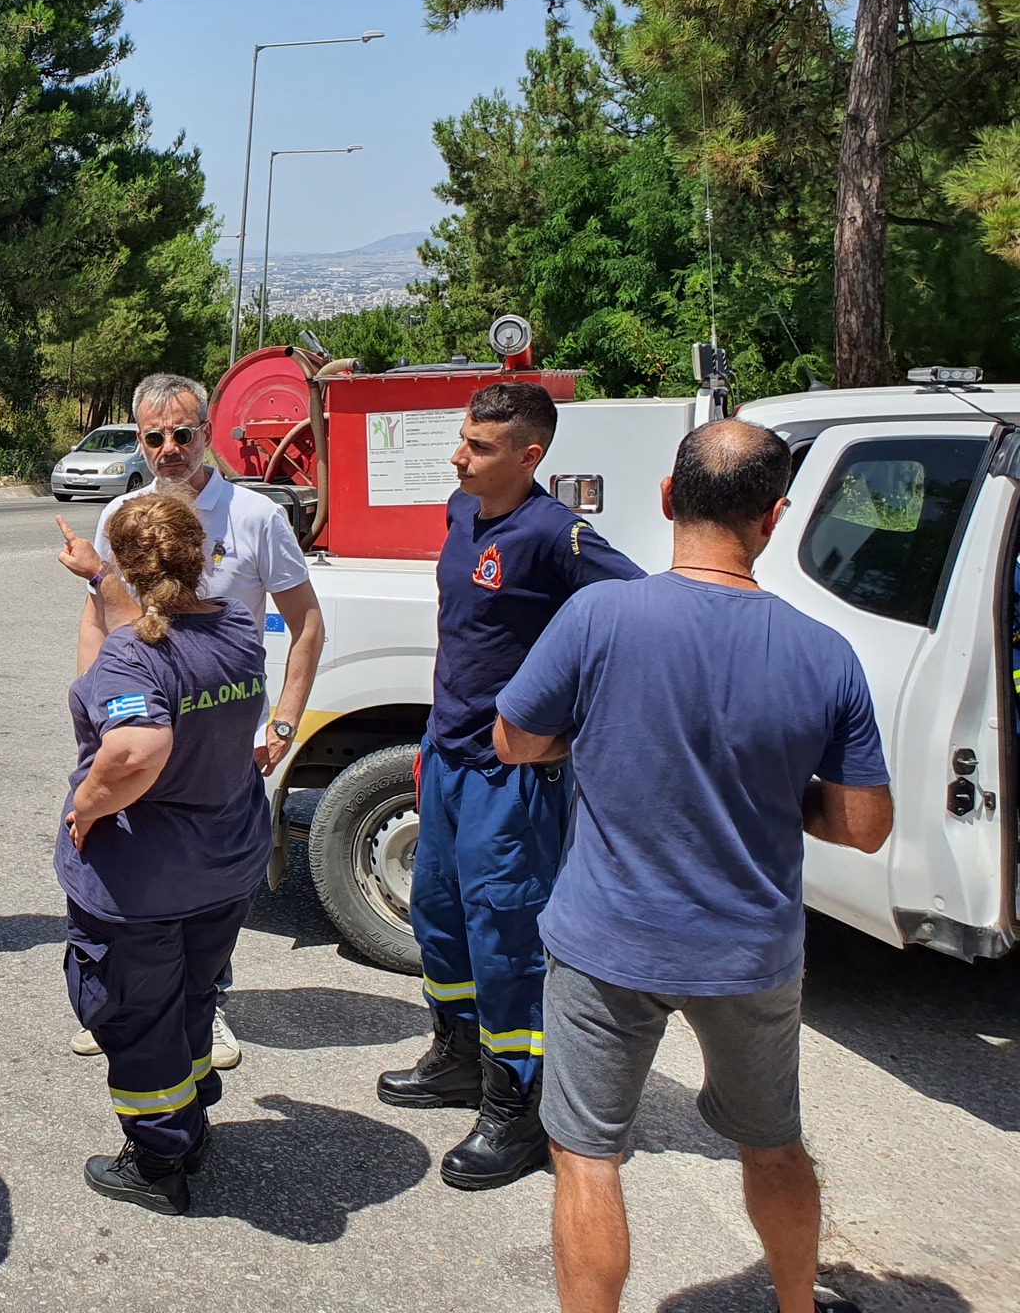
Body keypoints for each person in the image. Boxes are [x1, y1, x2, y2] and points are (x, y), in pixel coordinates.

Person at [494, 420, 892, 1313]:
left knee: (588, 1159)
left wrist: (594, 747)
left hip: (605, 941)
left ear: (670, 499)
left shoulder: (598, 616)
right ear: (775, 517)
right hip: (750, 951)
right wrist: (775, 793)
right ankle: (797, 1304)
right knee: (774, 1146)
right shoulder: (824, 652)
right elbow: (866, 825)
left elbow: (514, 739)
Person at [377, 380, 642, 1192]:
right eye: (461, 439)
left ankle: (517, 1110)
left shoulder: (556, 536)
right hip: (448, 756)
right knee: (440, 917)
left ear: (530, 456)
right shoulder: (463, 513)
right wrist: (433, 739)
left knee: (508, 944)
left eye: (479, 447)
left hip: (509, 777)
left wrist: (568, 730)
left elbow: (638, 617)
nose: (458, 456)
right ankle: (457, 1057)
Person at [69, 371, 325, 1070]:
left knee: (211, 883)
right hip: (141, 727)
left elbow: (306, 626)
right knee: (138, 876)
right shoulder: (120, 513)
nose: (170, 448)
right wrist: (94, 721)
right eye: (154, 437)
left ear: (209, 433)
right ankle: (130, 1001)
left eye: (184, 433)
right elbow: (103, 613)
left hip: (221, 737)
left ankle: (206, 1007)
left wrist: (284, 725)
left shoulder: (254, 517)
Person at [53, 493, 272, 1215]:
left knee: (135, 1013)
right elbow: (145, 641)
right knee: (192, 997)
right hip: (227, 861)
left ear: (126, 561)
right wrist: (99, 582)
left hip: (144, 879)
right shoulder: (236, 628)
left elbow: (137, 747)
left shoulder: (135, 656)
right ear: (199, 553)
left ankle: (158, 1159)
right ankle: (192, 1116)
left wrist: (87, 808)